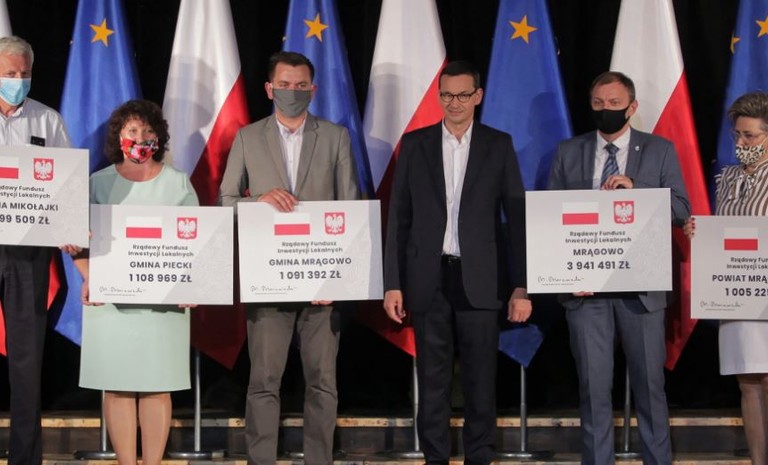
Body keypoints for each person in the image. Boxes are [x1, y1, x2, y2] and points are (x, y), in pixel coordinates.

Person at [382, 60, 531, 465]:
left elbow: (517, 220)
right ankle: (435, 458)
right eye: (447, 95)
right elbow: (399, 218)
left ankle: (479, 456)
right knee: (432, 382)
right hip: (427, 279)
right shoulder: (415, 144)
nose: (455, 102)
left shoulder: (498, 145)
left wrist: (521, 285)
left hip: (481, 279)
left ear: (477, 96)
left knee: (481, 380)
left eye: (463, 95)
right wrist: (393, 283)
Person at [219, 51, 359, 465]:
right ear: (269, 89)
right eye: (284, 85)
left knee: (323, 382)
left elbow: (350, 209)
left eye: (300, 86)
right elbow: (225, 202)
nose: (292, 92)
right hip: (269, 278)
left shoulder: (335, 136)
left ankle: (319, 460)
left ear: (313, 89)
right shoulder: (248, 137)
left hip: (321, 281)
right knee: (264, 380)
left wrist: (339, 280)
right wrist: (259, 200)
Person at [548, 71, 690, 465]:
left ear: (632, 106)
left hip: (641, 290)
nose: (605, 110)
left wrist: (637, 192)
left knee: (650, 388)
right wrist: (564, 275)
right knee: (593, 389)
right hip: (586, 291)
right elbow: (550, 217)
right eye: (598, 103)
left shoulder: (659, 150)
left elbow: (681, 209)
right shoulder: (568, 151)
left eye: (613, 103)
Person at [74, 100, 198, 465]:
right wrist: (90, 277)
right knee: (118, 387)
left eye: (147, 131)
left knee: (157, 386)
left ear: (159, 137)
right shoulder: (98, 183)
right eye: (132, 130)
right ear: (119, 136)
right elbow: (76, 241)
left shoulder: (178, 183)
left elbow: (197, 243)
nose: (140, 137)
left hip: (164, 305)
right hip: (110, 304)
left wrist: (193, 283)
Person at [0, 36, 75, 465]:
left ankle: (25, 458)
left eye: (24, 73)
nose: (18, 80)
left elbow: (66, 185)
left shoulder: (48, 120)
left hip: (29, 251)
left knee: (27, 360)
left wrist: (67, 227)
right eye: (9, 73)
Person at [685, 92, 768, 465]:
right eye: (738, 135)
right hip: (735, 293)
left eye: (750, 136)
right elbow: (723, 232)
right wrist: (699, 232)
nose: (742, 143)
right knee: (748, 382)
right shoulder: (726, 177)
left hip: (766, 291)